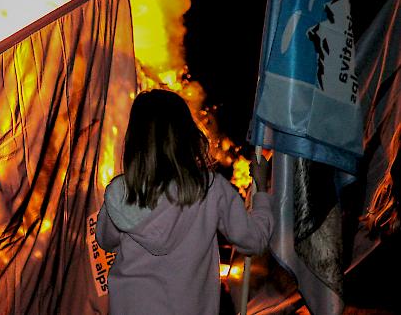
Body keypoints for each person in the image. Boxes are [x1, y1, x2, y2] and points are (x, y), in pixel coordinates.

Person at [95, 88, 273, 315]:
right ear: (186, 134)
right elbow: (254, 240)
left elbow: (105, 240)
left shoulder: (122, 191)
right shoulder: (211, 188)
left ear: (135, 140)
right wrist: (261, 191)